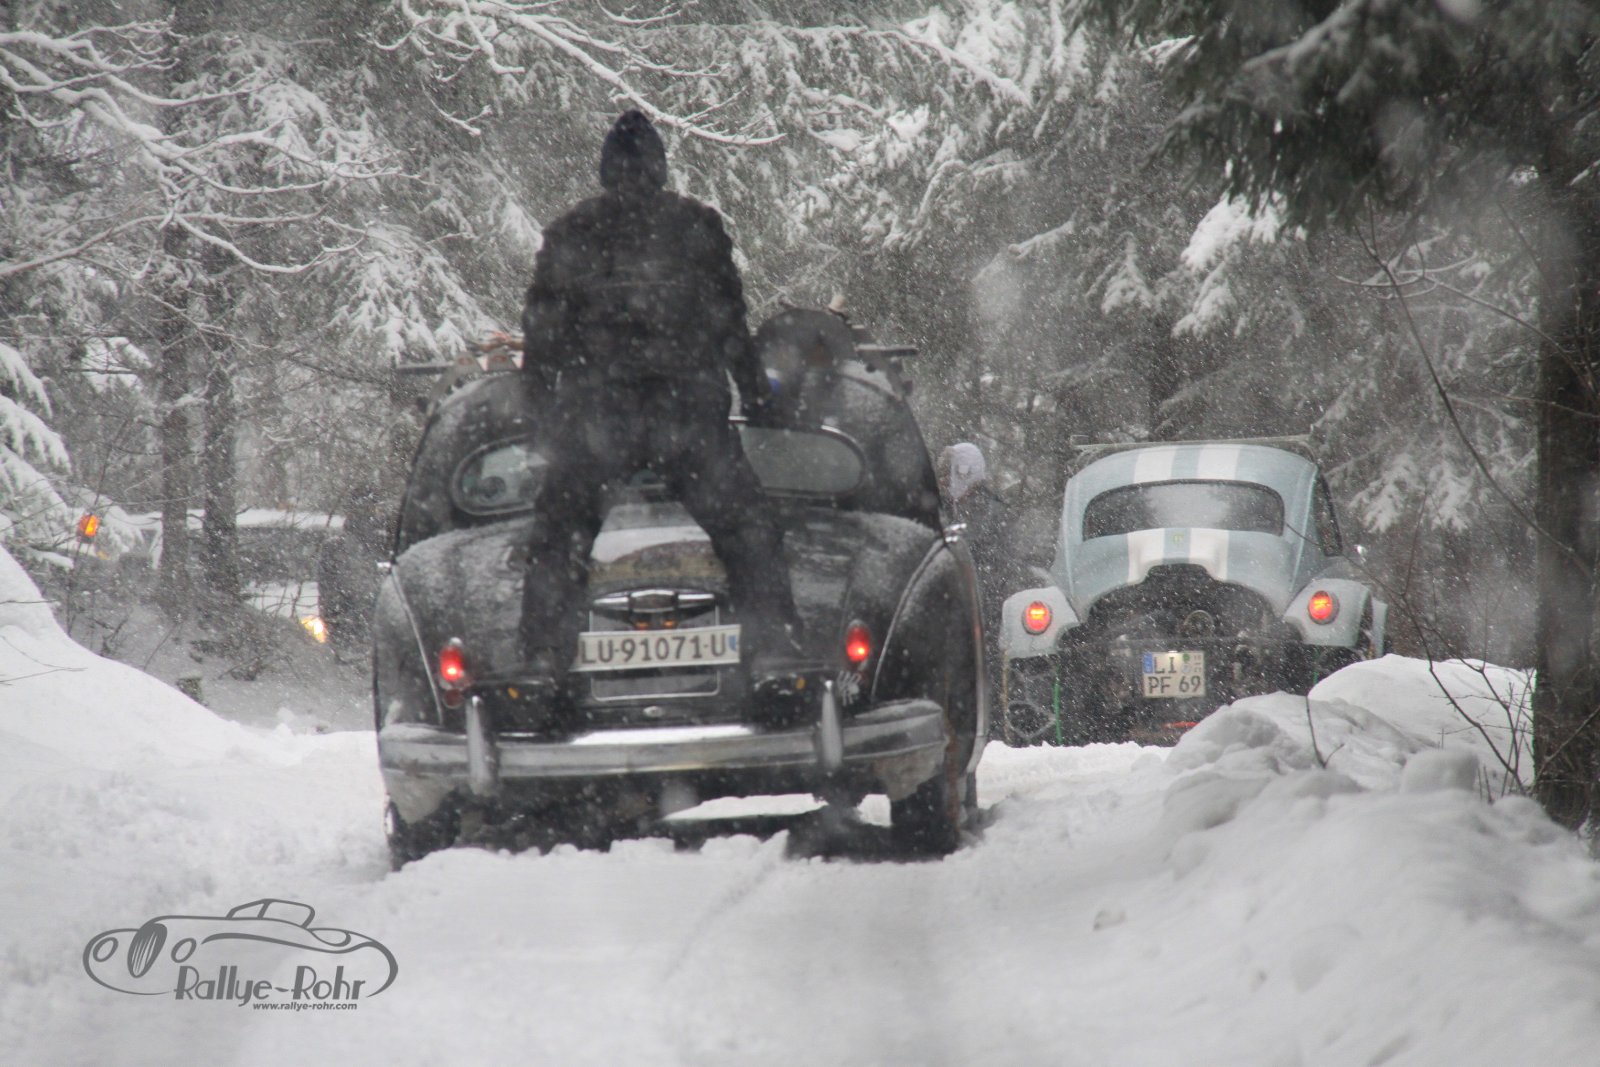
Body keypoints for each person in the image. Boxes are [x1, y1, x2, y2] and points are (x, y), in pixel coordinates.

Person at [517, 109, 805, 696]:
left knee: (561, 534)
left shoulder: (571, 233)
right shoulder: (696, 226)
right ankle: (772, 648)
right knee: (746, 527)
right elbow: (730, 323)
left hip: (597, 420)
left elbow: (542, 337)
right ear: (659, 167)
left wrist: (538, 418)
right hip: (687, 415)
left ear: (605, 170)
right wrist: (756, 395)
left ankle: (544, 657)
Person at [937, 443, 1016, 713]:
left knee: (981, 670)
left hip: (983, 605)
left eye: (947, 473)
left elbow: (971, 552)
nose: (943, 481)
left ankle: (984, 719)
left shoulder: (983, 509)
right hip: (972, 604)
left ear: (964, 472)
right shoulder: (960, 507)